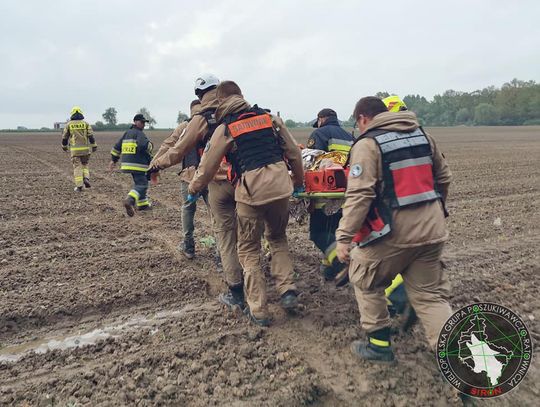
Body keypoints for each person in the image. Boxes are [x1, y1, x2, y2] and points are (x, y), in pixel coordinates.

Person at [336, 96, 452, 363]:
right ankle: (459, 361)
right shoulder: (423, 135)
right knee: (429, 297)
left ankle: (379, 347)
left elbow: (360, 195)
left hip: (394, 233)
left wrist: (344, 238)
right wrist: (435, 210)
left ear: (363, 119)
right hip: (433, 230)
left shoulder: (368, 144)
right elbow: (444, 178)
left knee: (364, 278)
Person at [188, 81, 304, 326]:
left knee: (249, 249)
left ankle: (259, 310)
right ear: (241, 96)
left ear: (221, 102)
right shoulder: (269, 118)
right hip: (281, 189)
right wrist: (299, 182)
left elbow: (207, 166)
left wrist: (194, 188)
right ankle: (288, 291)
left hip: (251, 194)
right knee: (278, 238)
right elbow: (293, 152)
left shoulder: (226, 128)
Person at [148, 74, 244, 310]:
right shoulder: (237, 111)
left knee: (221, 228)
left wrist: (156, 164)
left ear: (199, 96)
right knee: (244, 228)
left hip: (213, 179)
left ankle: (234, 284)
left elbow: (176, 149)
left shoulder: (198, 120)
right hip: (244, 179)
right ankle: (252, 275)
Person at [151, 100, 211, 259]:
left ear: (191, 111)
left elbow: (167, 145)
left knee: (188, 209)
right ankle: (221, 252)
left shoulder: (185, 126)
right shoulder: (215, 122)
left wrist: (153, 166)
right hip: (212, 176)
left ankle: (188, 245)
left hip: (189, 175)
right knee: (217, 214)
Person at [306, 109, 354, 285]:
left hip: (324, 195)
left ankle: (340, 265)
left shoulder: (319, 133)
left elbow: (311, 163)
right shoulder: (350, 137)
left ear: (321, 119)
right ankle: (330, 270)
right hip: (344, 194)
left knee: (319, 234)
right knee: (334, 232)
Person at [109, 114, 154, 216]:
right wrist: (151, 146)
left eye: (144, 123)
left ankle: (143, 205)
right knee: (142, 184)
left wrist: (113, 160)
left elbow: (117, 147)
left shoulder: (126, 133)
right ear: (135, 122)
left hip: (127, 164)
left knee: (140, 182)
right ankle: (130, 200)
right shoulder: (139, 134)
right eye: (141, 122)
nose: (143, 125)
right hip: (138, 164)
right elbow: (144, 145)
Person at [61, 106, 97, 192]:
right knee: (85, 165)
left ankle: (79, 186)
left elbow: (65, 137)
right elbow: (91, 136)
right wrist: (94, 146)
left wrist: (64, 147)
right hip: (86, 150)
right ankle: (86, 178)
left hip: (75, 151)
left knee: (77, 167)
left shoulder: (69, 124)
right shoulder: (86, 124)